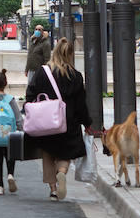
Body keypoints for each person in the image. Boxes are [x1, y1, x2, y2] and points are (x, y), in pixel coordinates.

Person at [25, 38, 92, 201]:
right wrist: (87, 123)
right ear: (70, 55)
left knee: (48, 153)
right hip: (69, 122)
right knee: (65, 153)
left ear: (54, 52)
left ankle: (53, 189)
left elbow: (30, 94)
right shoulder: (76, 76)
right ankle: (62, 172)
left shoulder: (43, 72)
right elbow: (81, 104)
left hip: (47, 121)